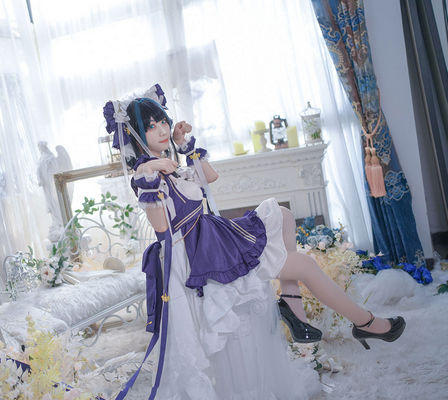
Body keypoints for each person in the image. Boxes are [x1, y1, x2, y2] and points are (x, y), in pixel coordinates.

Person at [103, 90, 405, 400]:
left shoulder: (173, 167)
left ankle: (292, 307)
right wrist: (149, 171)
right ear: (136, 136)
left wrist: (183, 144)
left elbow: (210, 176)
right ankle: (365, 322)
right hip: (198, 255)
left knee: (284, 215)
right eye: (151, 126)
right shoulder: (146, 177)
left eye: (163, 121)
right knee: (303, 264)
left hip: (214, 237)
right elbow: (161, 228)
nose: (162, 129)